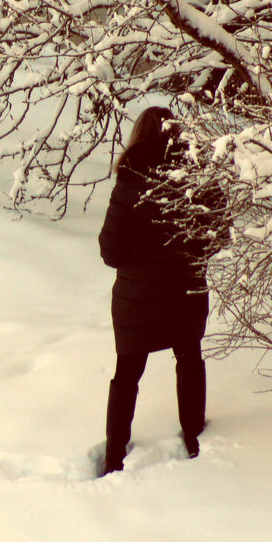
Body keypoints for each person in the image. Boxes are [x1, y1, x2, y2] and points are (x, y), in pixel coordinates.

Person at [97, 106, 224, 476]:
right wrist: (188, 256)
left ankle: (113, 458)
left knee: (126, 374)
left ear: (139, 136)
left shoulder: (129, 182)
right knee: (189, 357)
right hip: (186, 291)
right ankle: (194, 437)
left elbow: (110, 251)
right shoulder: (198, 176)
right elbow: (218, 231)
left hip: (137, 300)